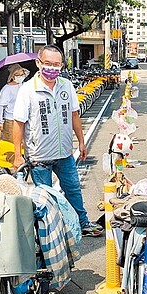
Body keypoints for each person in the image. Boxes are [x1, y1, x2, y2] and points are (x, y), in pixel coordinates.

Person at [12, 44, 103, 237]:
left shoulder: (66, 86)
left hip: (65, 153)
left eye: (57, 64)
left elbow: (74, 115)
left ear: (62, 66)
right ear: (38, 63)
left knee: (73, 190)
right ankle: (49, 234)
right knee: (44, 199)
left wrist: (82, 142)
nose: (52, 68)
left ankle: (82, 222)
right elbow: (18, 123)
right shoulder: (27, 90)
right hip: (39, 158)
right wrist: (18, 155)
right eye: (47, 63)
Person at [0, 63, 28, 143]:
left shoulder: (24, 86)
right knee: (11, 144)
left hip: (23, 119)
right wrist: (0, 122)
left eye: (22, 74)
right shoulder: (7, 89)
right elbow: (0, 106)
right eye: (18, 74)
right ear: (13, 76)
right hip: (10, 120)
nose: (20, 76)